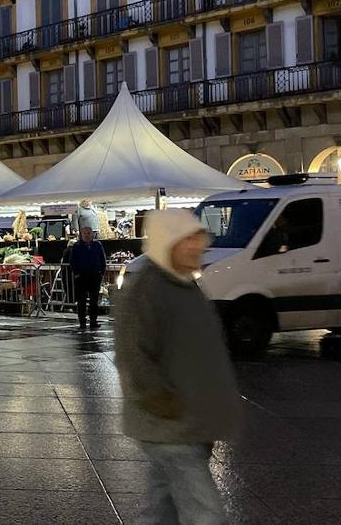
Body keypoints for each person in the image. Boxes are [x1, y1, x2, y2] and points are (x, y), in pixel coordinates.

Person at [114, 208, 243, 525]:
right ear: (167, 242)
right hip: (171, 424)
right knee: (205, 513)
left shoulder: (185, 284)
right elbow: (133, 354)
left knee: (162, 508)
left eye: (200, 237)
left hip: (188, 420)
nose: (199, 246)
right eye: (188, 239)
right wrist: (163, 401)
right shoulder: (145, 288)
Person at [65, 226, 107, 330]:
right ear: (81, 235)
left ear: (92, 234)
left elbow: (102, 259)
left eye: (89, 233)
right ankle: (82, 322)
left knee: (94, 301)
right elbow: (72, 261)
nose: (87, 235)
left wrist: (101, 272)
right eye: (85, 233)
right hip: (81, 277)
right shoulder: (76, 246)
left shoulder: (97, 245)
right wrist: (77, 273)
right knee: (81, 301)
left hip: (94, 276)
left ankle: (93, 321)